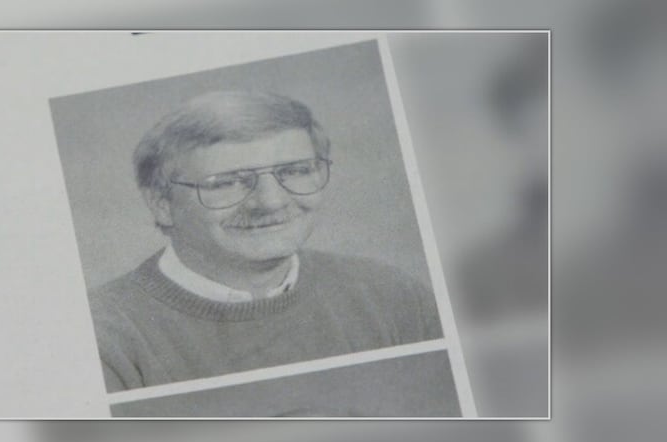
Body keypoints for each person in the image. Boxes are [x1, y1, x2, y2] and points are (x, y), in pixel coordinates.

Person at [89, 90, 442, 393]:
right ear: (162, 203)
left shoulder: (393, 297)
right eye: (227, 181)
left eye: (295, 171)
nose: (270, 202)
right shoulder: (103, 337)